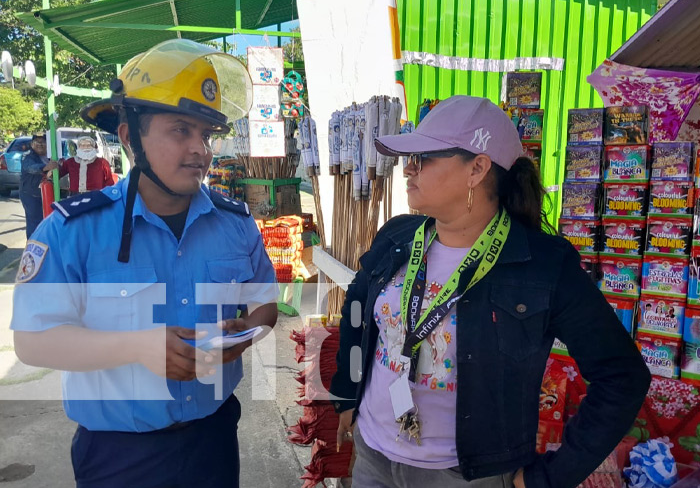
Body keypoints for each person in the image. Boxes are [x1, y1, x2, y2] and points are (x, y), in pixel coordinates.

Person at [330, 95, 651, 488]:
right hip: (374, 456)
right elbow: (358, 307)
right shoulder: (397, 236)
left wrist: (547, 478)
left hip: (466, 477)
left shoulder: (544, 265)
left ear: (477, 169)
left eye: (424, 158)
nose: (408, 170)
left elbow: (622, 376)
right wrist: (346, 393)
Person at [11, 39, 276, 488]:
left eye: (206, 135)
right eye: (181, 130)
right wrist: (137, 348)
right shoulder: (71, 232)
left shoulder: (235, 224)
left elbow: (264, 305)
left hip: (213, 442)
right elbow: (33, 342)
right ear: (131, 137)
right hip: (119, 457)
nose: (201, 150)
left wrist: (244, 336)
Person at [19, 133, 58, 238]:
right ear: (32, 144)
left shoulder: (51, 156)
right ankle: (32, 248)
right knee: (34, 223)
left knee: (48, 221)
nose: (40, 144)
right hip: (31, 195)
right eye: (37, 142)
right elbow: (30, 167)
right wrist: (46, 167)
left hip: (47, 194)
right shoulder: (28, 156)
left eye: (43, 142)